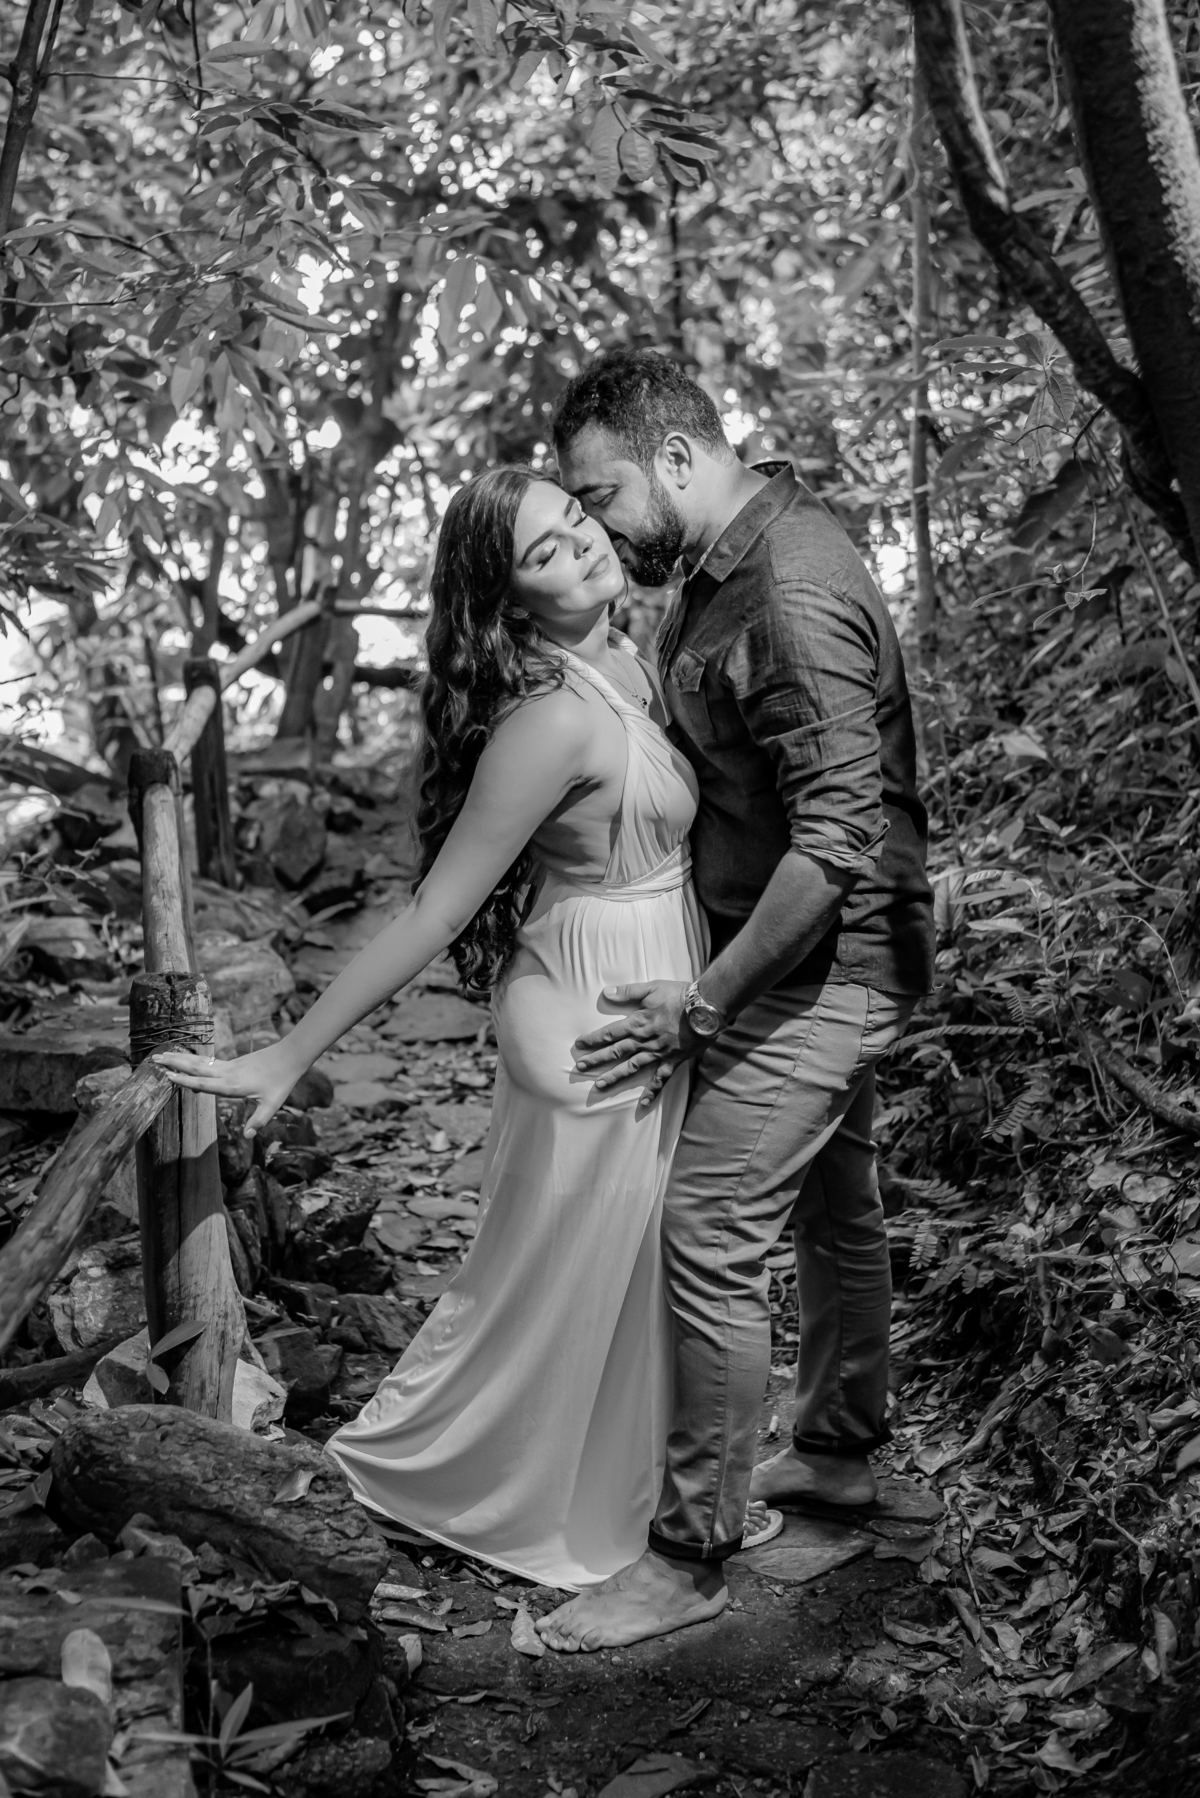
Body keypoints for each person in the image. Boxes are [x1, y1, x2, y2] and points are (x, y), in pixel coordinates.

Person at [155, 464, 780, 1591]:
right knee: (564, 1270)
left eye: (577, 520)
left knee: (634, 1261)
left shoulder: (627, 657)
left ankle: (639, 1479)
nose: (583, 546)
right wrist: (290, 1053)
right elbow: (436, 910)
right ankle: (461, 1476)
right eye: (545, 551)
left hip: (650, 973)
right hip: (591, 1005)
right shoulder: (550, 719)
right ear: (508, 601)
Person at [535, 349, 935, 1651]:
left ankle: (687, 1557)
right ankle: (835, 1455)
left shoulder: (785, 588)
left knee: (709, 1230)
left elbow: (835, 837)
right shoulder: (732, 563)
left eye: (602, 496)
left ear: (675, 456)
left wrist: (702, 1004)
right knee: (835, 1206)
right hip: (824, 961)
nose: (597, 527)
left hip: (816, 971)